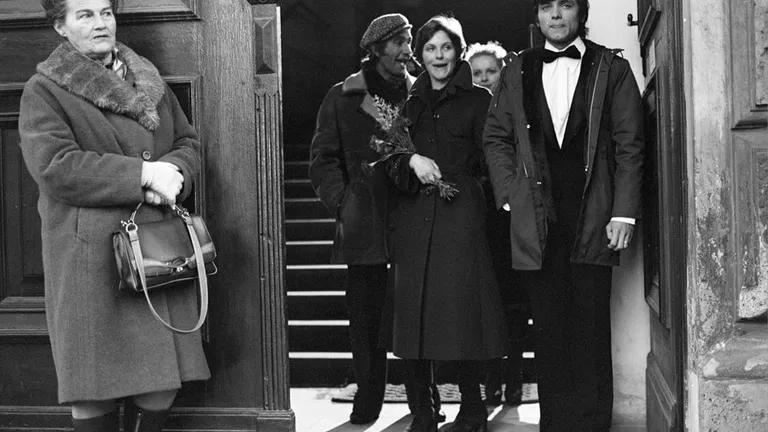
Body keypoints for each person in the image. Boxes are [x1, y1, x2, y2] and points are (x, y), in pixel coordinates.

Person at [17, 0, 210, 431]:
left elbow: (188, 142)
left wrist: (175, 172)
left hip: (157, 249)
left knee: (160, 383)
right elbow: (56, 167)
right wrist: (143, 174)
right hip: (90, 257)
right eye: (84, 15)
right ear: (60, 27)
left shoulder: (147, 78)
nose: (100, 23)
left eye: (105, 12)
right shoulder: (44, 90)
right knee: (94, 391)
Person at [483, 1, 644, 431]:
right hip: (537, 219)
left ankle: (593, 423)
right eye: (546, 6)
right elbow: (496, 137)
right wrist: (510, 195)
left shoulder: (612, 68)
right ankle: (555, 423)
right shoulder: (516, 69)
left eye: (566, 5)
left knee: (591, 325)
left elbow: (630, 144)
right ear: (537, 16)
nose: (555, 15)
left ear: (581, 13)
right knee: (549, 328)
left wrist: (624, 213)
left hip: (595, 216)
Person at [386, 15, 508, 432]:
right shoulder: (409, 105)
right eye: (430, 49)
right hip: (414, 224)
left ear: (458, 52)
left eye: (446, 48)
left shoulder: (479, 100)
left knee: (463, 315)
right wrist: (410, 161)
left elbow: (496, 158)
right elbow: (388, 162)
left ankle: (473, 410)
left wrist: (477, 199)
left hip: (461, 220)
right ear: (420, 55)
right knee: (413, 317)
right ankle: (422, 410)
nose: (439, 56)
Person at [309, 13, 429, 426]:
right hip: (365, 225)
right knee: (365, 322)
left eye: (409, 40)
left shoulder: (421, 91)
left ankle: (422, 402)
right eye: (399, 42)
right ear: (376, 49)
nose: (407, 49)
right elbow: (322, 160)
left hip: (414, 221)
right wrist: (345, 203)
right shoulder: (342, 96)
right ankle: (368, 400)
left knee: (415, 316)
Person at [466, 41, 528, 408]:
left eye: (491, 71)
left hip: (510, 218)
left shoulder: (516, 107)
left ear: (503, 72)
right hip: (477, 220)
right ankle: (491, 380)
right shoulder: (466, 111)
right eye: (477, 73)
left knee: (515, 304)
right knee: (484, 305)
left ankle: (515, 378)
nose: (485, 78)